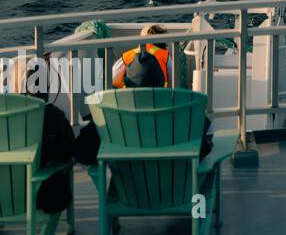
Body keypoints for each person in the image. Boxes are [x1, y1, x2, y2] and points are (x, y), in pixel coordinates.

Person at [75, 44, 211, 164]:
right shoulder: (184, 116)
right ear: (161, 82)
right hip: (175, 187)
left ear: (126, 84)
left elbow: (81, 153)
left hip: (127, 189)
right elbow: (204, 148)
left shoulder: (111, 119)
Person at [8, 55, 75, 215]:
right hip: (44, 195)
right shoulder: (54, 117)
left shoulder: (6, 119)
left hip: (6, 195)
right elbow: (70, 150)